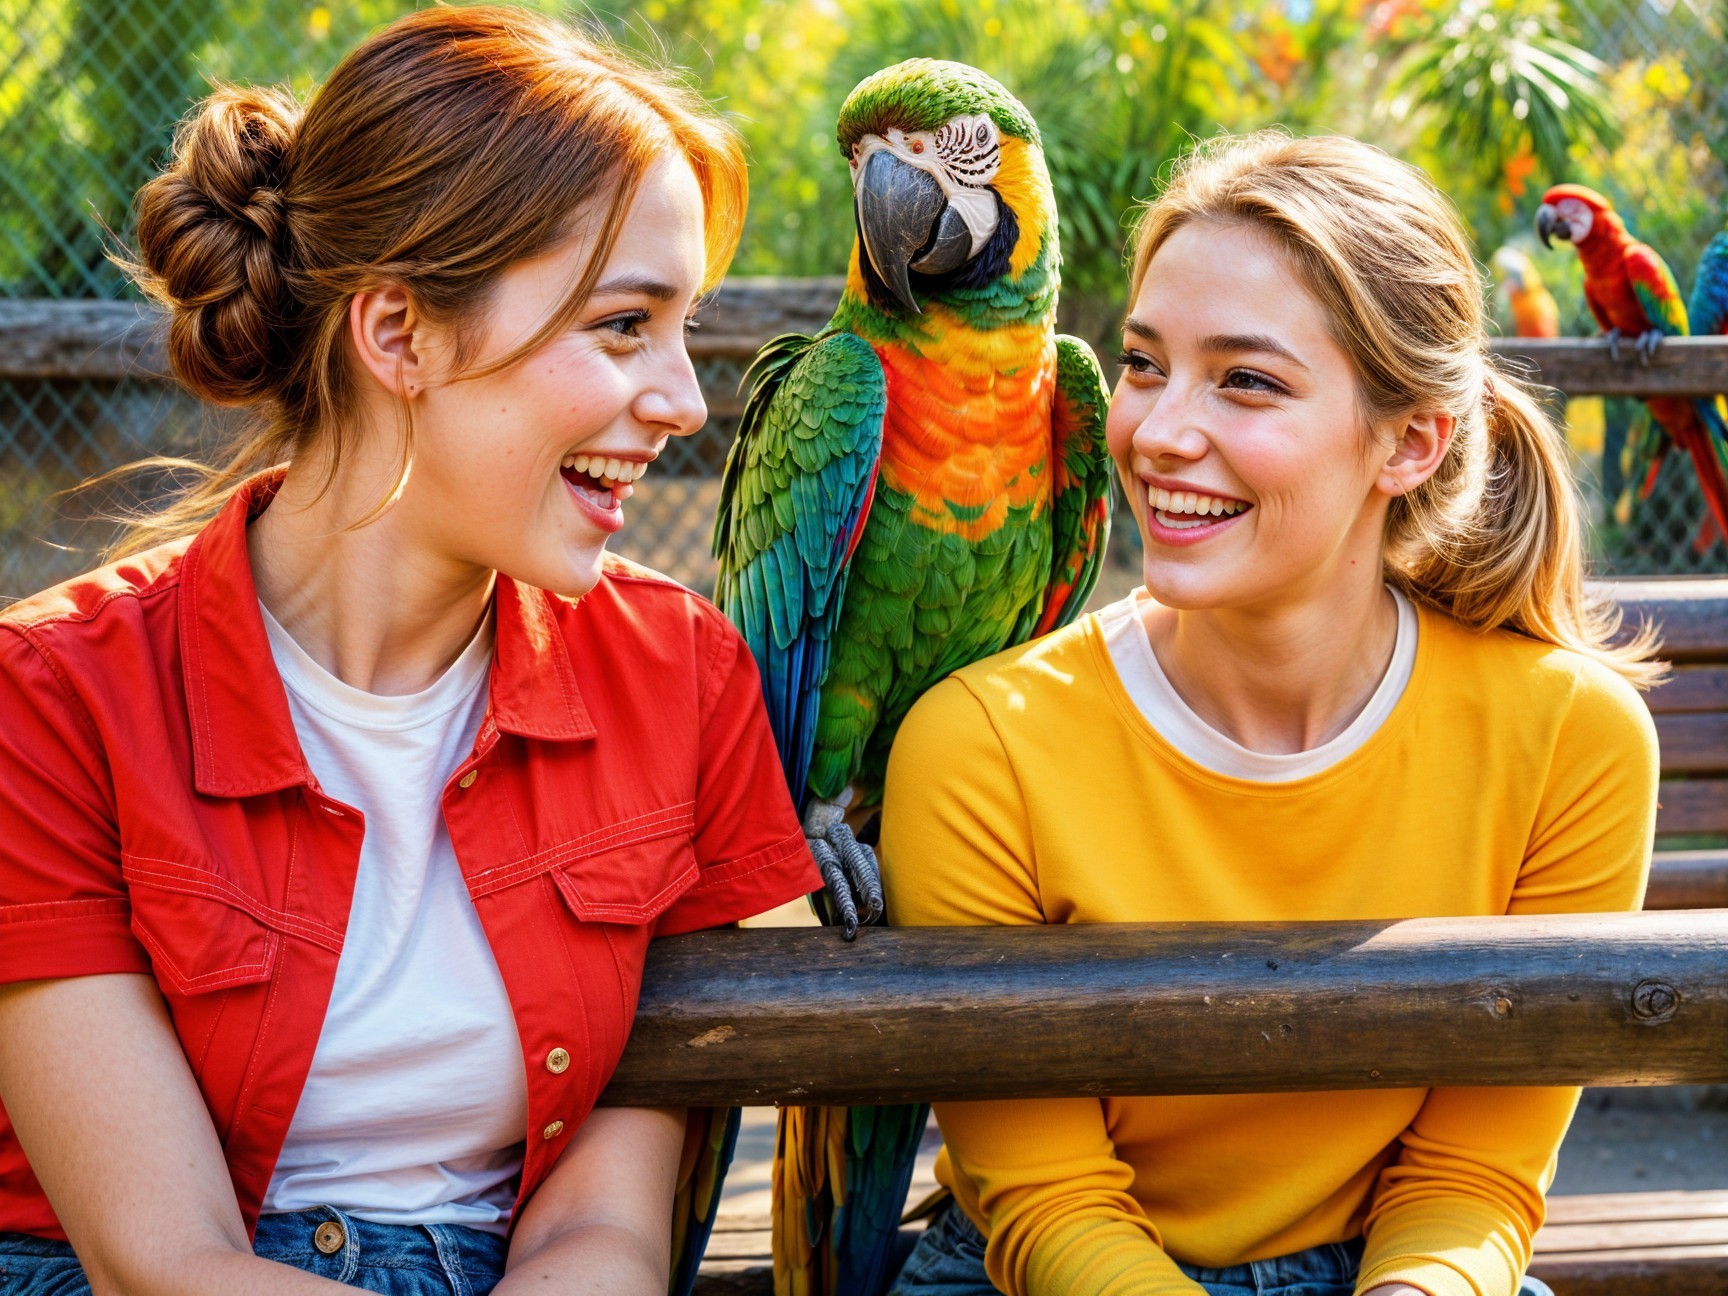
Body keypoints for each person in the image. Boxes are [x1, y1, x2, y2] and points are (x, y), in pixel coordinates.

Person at [0, 8, 817, 1294]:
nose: (684, 399)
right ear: (398, 336)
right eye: (624, 325)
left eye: (684, 328)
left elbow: (602, 1232)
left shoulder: (680, 677)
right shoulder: (50, 700)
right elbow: (161, 1259)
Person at [881, 131, 1659, 1296]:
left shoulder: (1572, 742)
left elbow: (1472, 1178)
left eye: (1245, 380)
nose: (1157, 431)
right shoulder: (979, 748)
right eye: (1144, 364)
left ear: (1410, 442)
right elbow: (1046, 1202)